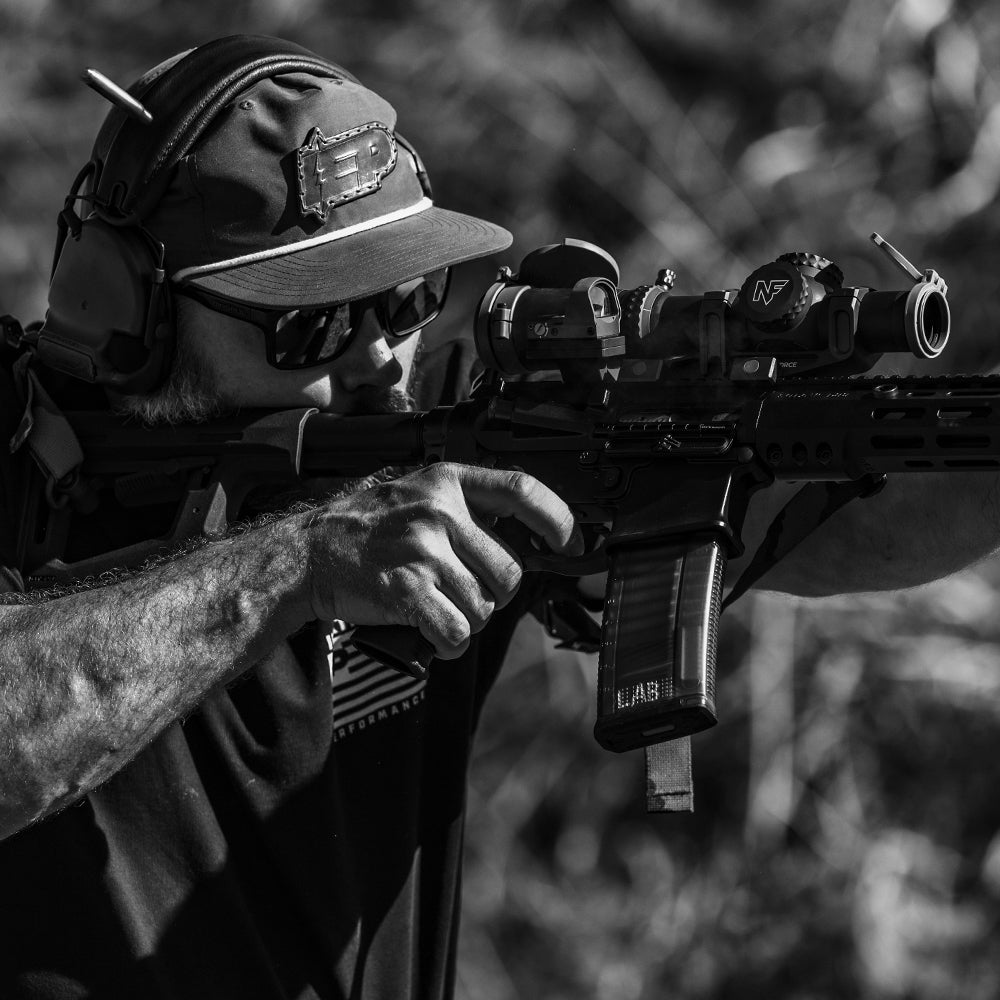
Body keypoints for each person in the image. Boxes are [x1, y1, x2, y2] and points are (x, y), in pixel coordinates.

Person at [0, 32, 996, 1000]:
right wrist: (290, 568)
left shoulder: (442, 430)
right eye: (312, 325)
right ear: (132, 313)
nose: (378, 359)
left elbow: (862, 517)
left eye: (406, 299)